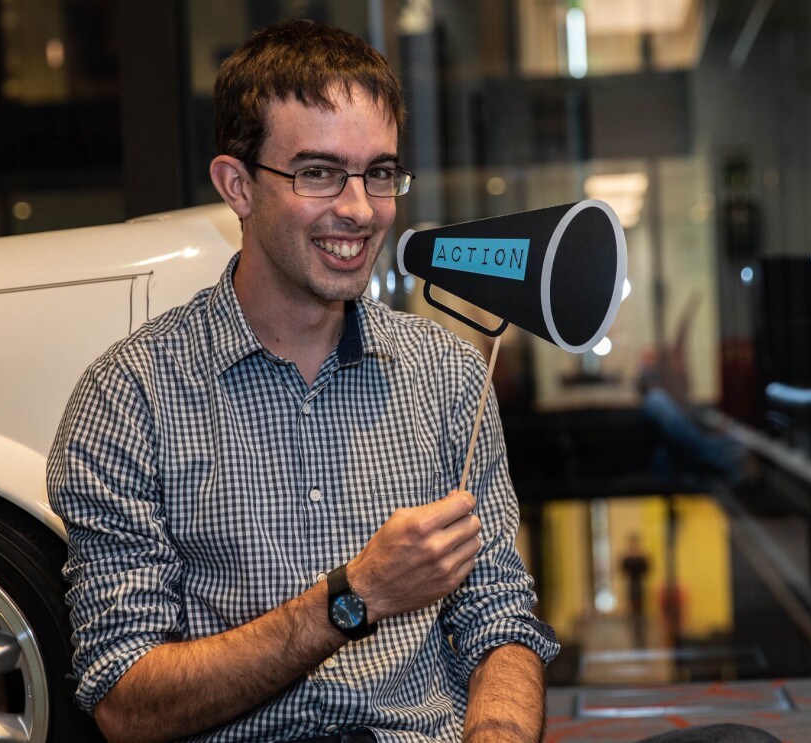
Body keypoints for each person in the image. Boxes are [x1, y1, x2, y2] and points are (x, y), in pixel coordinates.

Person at [47, 20, 557, 743]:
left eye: (379, 172)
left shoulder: (443, 373)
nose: (358, 208)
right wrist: (355, 596)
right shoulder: (130, 396)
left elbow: (498, 618)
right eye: (318, 172)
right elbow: (126, 702)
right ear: (238, 185)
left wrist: (497, 733)